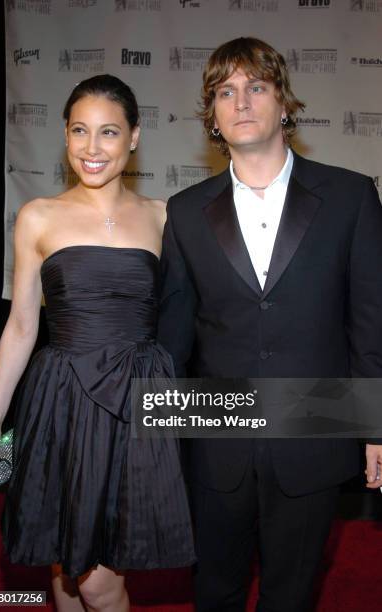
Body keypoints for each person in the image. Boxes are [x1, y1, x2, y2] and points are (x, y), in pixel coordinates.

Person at [157, 37, 382, 612]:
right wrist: (159, 437)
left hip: (315, 422)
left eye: (256, 86)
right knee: (213, 592)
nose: (242, 101)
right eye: (225, 91)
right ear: (213, 115)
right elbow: (174, 337)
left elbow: (370, 320)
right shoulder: (183, 211)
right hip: (214, 433)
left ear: (284, 102)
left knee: (292, 595)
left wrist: (376, 426)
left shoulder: (351, 196)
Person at [0, 74, 195, 612]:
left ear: (135, 137)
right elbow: (22, 327)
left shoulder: (166, 216)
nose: (91, 149)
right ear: (65, 135)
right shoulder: (37, 216)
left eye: (108, 133)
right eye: (79, 131)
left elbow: (194, 316)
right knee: (64, 560)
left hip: (135, 401)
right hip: (62, 397)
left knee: (98, 579)